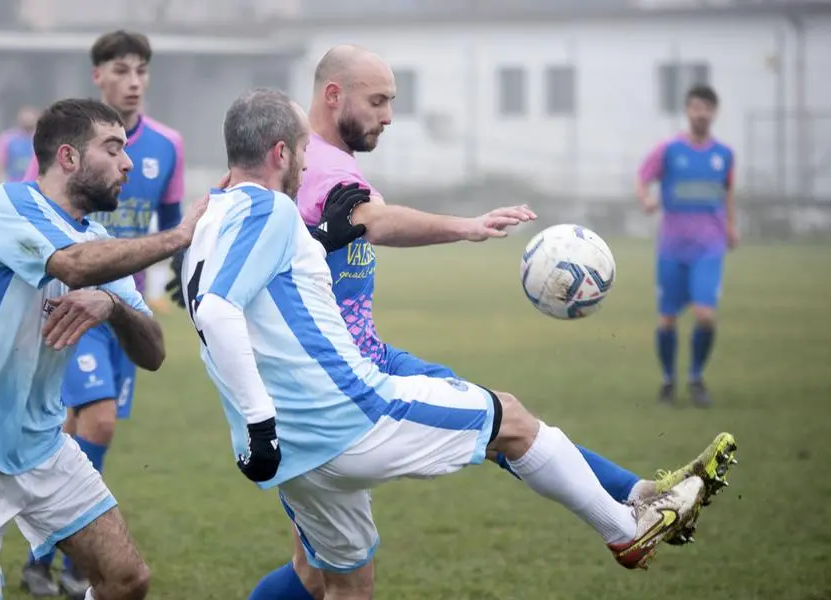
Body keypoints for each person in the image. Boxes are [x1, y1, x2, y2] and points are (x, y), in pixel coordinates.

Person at [227, 47, 738, 600]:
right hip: (339, 384)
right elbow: (372, 220)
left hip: (342, 370)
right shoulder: (318, 163)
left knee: (316, 573)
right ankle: (631, 522)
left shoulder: (309, 164)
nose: (389, 116)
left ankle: (641, 493)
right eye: (378, 101)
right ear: (334, 95)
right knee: (506, 422)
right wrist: (465, 226)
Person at [0, 97, 206, 600]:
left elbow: (153, 352)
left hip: (43, 447)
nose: (127, 163)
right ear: (69, 157)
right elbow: (72, 266)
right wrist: (179, 238)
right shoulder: (5, 206)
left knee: (127, 580)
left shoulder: (96, 239)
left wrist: (113, 306)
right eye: (113, 148)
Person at [22, 30, 185, 598]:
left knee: (74, 430)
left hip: (127, 309)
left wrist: (177, 276)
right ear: (98, 76)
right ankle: (71, 558)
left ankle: (42, 554)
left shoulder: (167, 145)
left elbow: (168, 222)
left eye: (142, 70)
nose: (133, 81)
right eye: (121, 70)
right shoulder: (67, 141)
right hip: (73, 303)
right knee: (100, 421)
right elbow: (34, 217)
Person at [635, 84, 738, 407]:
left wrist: (732, 226)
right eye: (695, 107)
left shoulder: (724, 155)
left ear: (714, 113)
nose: (700, 113)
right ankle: (668, 380)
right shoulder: (668, 150)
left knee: (705, 316)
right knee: (667, 320)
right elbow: (642, 176)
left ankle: (695, 376)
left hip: (709, 247)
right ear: (687, 111)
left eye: (706, 108)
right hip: (672, 248)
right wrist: (647, 199)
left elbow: (728, 191)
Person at [0, 105, 39, 185]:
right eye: (25, 116)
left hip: (36, 187)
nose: (28, 119)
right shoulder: (8, 139)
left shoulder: (42, 140)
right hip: (14, 184)